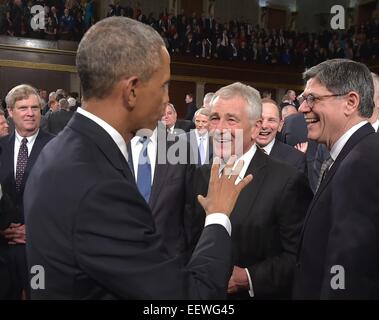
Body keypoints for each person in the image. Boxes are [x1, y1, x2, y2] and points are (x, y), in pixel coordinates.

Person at [24, 17, 252, 300]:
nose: (168, 98)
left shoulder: (62, 150)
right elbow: (192, 297)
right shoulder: (98, 184)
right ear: (131, 90)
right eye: (164, 85)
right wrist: (218, 215)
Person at [193, 82, 313, 299]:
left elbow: (300, 256)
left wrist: (247, 277)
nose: (220, 128)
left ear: (256, 127)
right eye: (214, 118)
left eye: (231, 120)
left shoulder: (287, 180)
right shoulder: (197, 175)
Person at [293, 59, 379, 299]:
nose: (302, 108)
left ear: (350, 102)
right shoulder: (356, 153)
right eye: (303, 99)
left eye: (313, 99)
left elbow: (348, 270)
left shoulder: (360, 163)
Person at [0, 84, 54, 299]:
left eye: (35, 108)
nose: (30, 113)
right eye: (23, 108)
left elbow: (65, 201)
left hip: (41, 250)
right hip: (3, 250)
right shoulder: (0, 146)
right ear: (10, 113)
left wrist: (34, 230)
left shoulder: (57, 147)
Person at [257, 98, 306, 174]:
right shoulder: (236, 153)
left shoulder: (295, 159)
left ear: (280, 125)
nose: (264, 126)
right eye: (259, 120)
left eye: (271, 120)